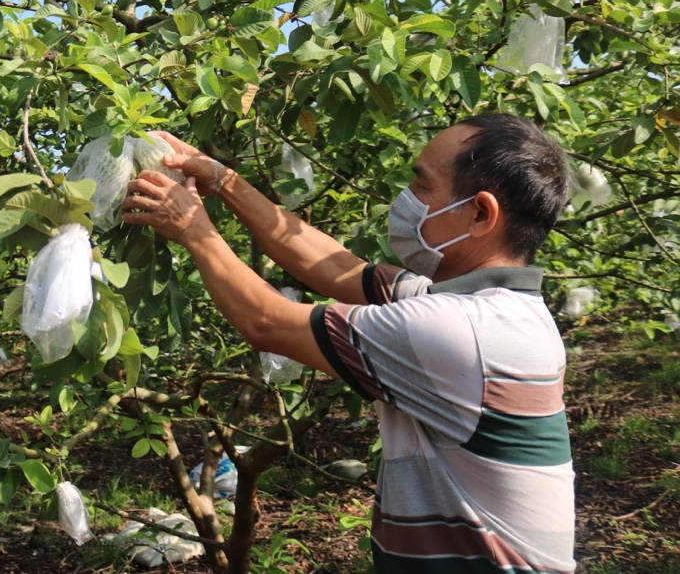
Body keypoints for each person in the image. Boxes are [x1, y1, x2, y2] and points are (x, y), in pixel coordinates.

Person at [121, 114, 575, 574]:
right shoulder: (493, 310)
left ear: (480, 214)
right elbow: (336, 267)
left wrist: (192, 228)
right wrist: (222, 180)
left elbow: (266, 322)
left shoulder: (459, 329)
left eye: (421, 185)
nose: (406, 199)